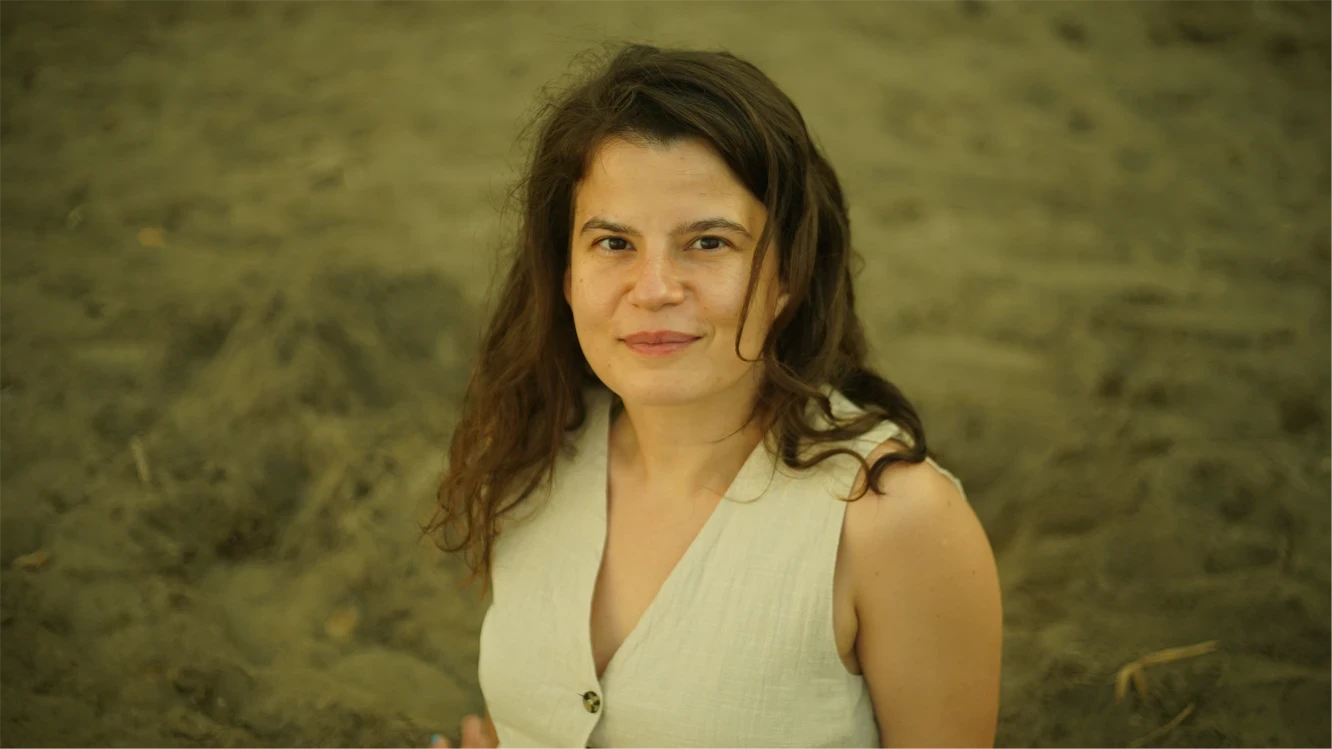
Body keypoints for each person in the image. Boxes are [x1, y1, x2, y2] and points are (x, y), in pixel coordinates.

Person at [425, 42, 1003, 749]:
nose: (654, 289)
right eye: (613, 243)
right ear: (567, 274)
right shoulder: (532, 447)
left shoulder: (892, 519)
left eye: (707, 242)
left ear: (787, 275)